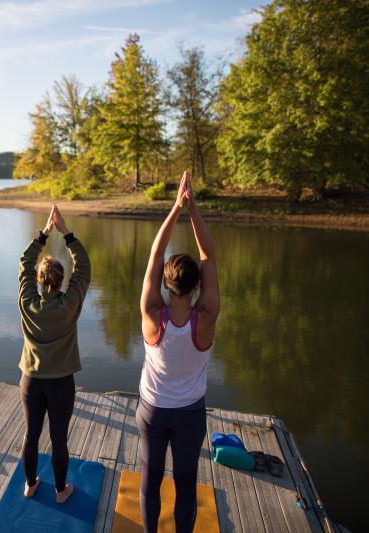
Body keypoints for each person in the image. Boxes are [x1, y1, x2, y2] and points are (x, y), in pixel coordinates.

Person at [137, 171, 220, 532]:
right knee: (186, 487)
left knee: (150, 481)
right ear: (197, 285)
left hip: (153, 412)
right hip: (189, 415)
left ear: (166, 284)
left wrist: (175, 208)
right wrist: (193, 210)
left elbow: (156, 255)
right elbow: (209, 256)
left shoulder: (153, 316)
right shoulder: (205, 319)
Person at [17, 204, 90, 504]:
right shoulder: (69, 303)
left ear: (38, 280)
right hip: (61, 383)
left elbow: (24, 262)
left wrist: (43, 235)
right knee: (59, 440)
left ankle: (30, 484)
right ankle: (61, 492)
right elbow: (83, 267)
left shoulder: (27, 301)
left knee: (31, 436)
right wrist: (66, 234)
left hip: (31, 380)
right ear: (61, 281)